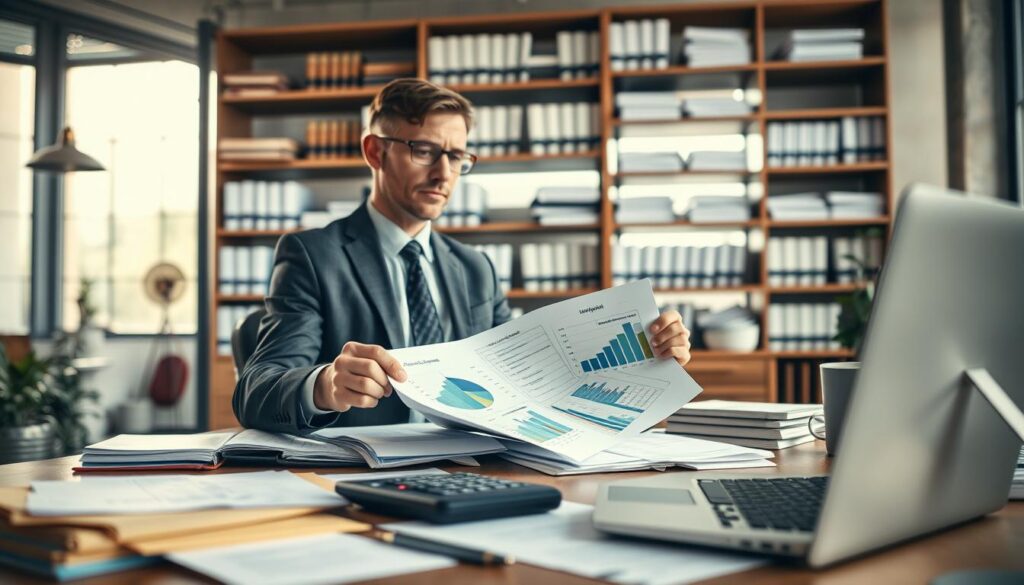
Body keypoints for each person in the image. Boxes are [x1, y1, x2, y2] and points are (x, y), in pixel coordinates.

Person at [233, 78, 692, 434]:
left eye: (457, 157)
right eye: (425, 150)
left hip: (470, 467)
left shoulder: (476, 270)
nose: (444, 173)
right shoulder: (314, 256)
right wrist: (325, 386)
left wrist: (639, 355)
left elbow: (520, 384)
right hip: (360, 480)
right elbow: (255, 390)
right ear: (375, 151)